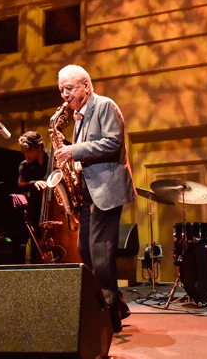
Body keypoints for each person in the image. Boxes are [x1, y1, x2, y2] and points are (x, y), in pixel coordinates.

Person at [53, 65, 136, 333]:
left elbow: (113, 142)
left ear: (86, 86)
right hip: (88, 191)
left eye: (69, 88)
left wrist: (73, 151)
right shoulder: (78, 116)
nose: (64, 95)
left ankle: (110, 318)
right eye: (61, 90)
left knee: (101, 252)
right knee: (85, 249)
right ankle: (115, 303)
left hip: (107, 189)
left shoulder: (105, 106)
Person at [16, 131, 51, 263]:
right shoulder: (26, 165)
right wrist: (33, 183)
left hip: (55, 208)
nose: (26, 155)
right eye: (24, 152)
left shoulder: (52, 160)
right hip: (36, 209)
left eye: (29, 151)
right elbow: (20, 186)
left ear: (39, 147)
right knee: (36, 247)